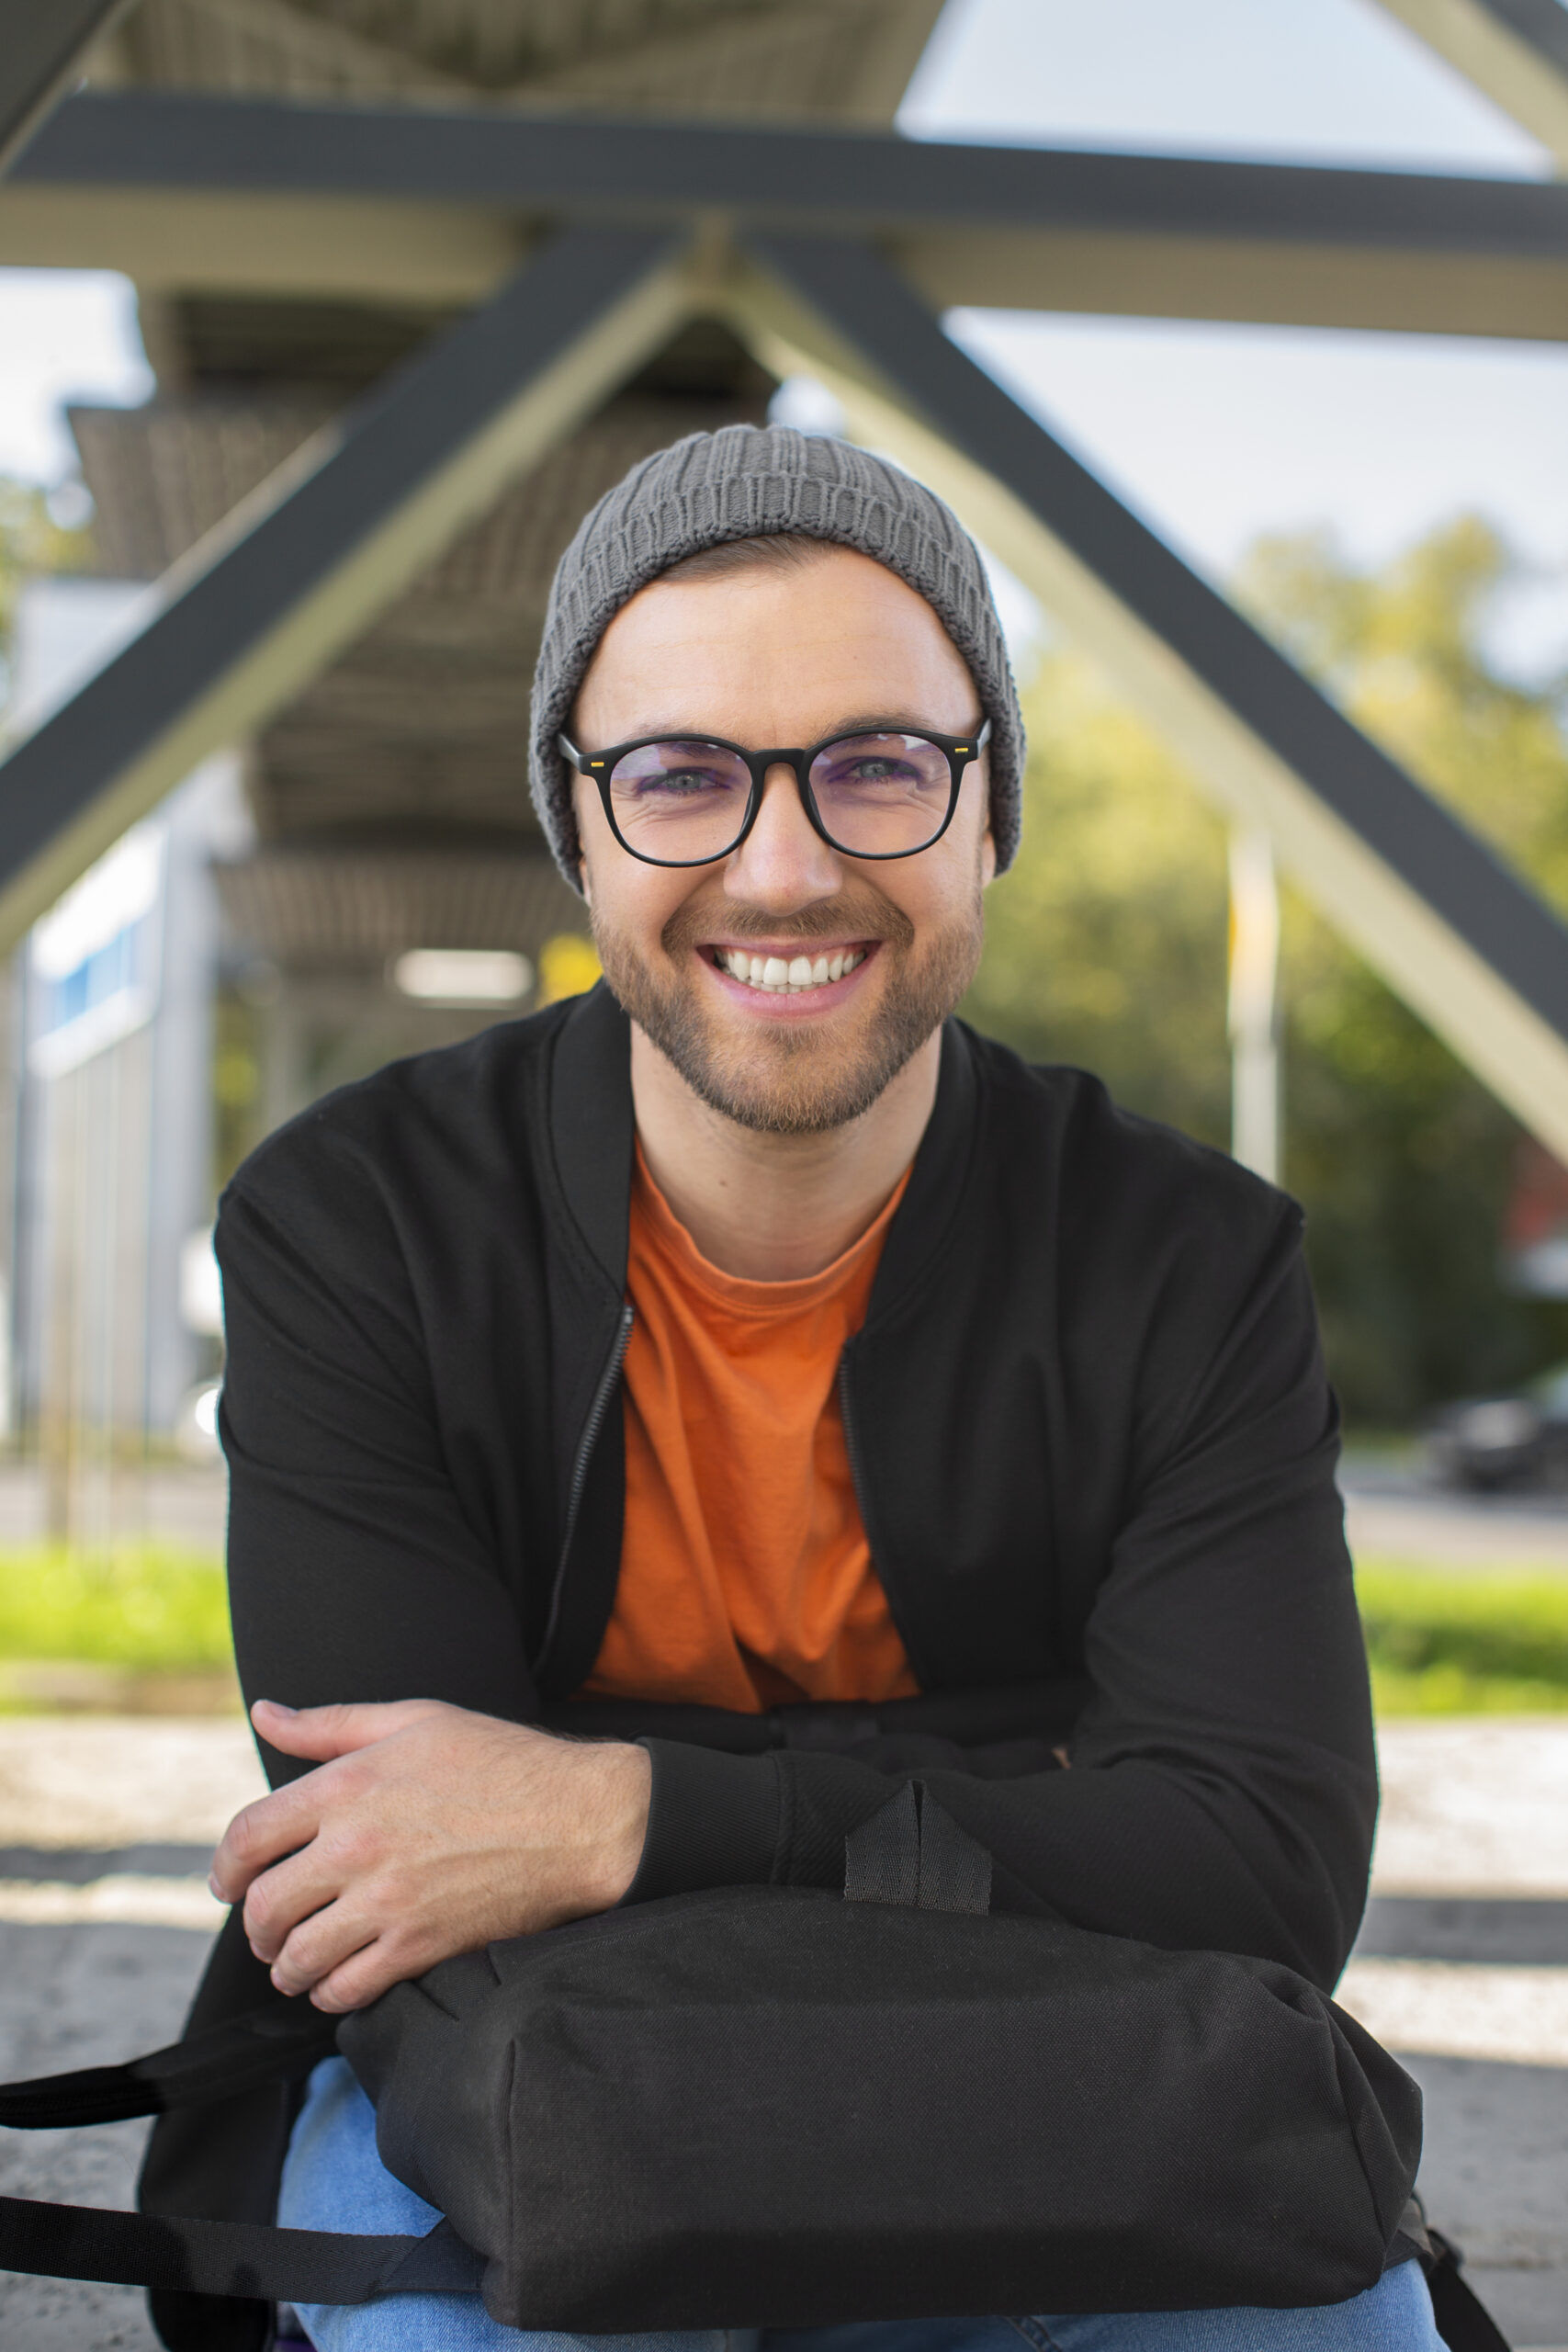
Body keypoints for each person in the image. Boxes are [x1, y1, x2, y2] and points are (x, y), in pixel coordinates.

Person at [166, 425, 1439, 2352]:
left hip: (1063, 2091)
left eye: (876, 764)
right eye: (679, 774)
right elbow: (398, 1873)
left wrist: (609, 1807)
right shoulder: (356, 1228)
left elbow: (1255, 1869)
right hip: (542, 2091)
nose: (782, 863)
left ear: (986, 802)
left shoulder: (1184, 1260)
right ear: (574, 822)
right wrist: (1029, 1798)